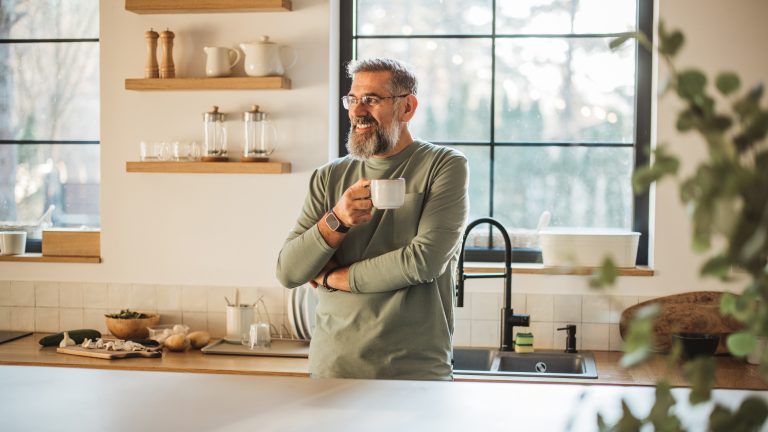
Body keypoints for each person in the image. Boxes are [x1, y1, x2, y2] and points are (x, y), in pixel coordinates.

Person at [276, 57, 469, 380]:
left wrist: (334, 278)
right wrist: (337, 219)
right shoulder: (329, 177)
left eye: (372, 99)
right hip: (333, 369)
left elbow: (424, 261)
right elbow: (288, 272)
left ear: (407, 108)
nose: (358, 111)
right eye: (353, 99)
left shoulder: (443, 165)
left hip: (415, 373)